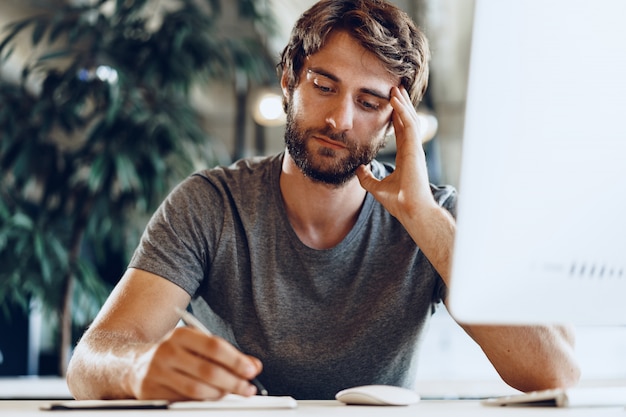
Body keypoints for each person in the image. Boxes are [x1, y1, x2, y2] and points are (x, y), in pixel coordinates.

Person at [66, 0, 580, 401]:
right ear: (289, 80)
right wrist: (136, 368)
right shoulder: (209, 205)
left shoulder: (433, 215)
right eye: (324, 85)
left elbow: (554, 371)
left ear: (395, 121)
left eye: (370, 101)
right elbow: (90, 360)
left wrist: (422, 216)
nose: (340, 119)